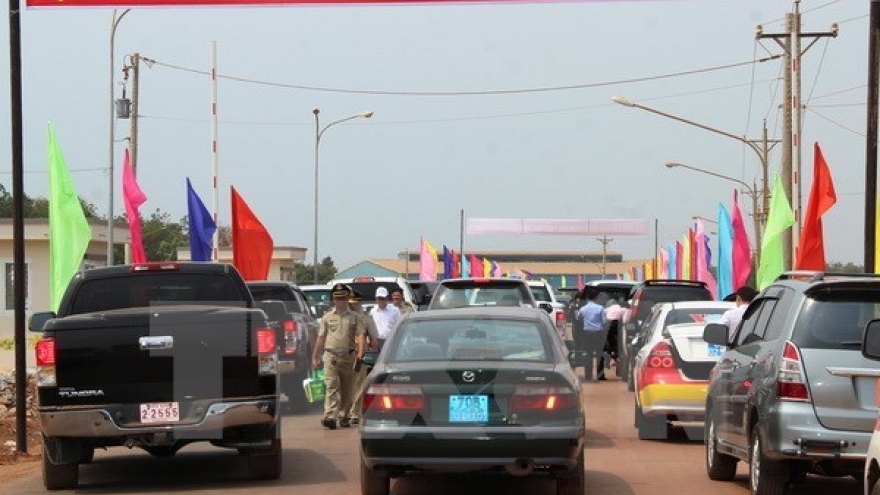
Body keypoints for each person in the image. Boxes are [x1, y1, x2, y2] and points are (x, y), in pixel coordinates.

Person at [311, 283, 366, 430]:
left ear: (347, 299)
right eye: (337, 298)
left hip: (349, 357)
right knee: (332, 386)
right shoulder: (327, 317)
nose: (340, 301)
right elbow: (321, 337)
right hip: (331, 357)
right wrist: (315, 356)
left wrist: (360, 354)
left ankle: (344, 416)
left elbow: (361, 335)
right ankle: (330, 416)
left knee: (348, 390)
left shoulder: (355, 317)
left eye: (343, 298)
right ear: (333, 300)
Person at [347, 290, 380, 426]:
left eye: (355, 303)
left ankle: (354, 413)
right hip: (342, 354)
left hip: (359, 354)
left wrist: (372, 352)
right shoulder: (339, 315)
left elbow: (373, 339)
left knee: (358, 385)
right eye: (351, 303)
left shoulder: (366, 318)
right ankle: (342, 412)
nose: (353, 305)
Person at [575, 288, 608, 382]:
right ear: (597, 298)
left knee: (588, 354)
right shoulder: (600, 308)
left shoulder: (583, 309)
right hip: (599, 334)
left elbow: (578, 318)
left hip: (587, 334)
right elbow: (604, 322)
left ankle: (588, 376)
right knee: (599, 354)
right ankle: (599, 375)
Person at [600, 298, 625, 379]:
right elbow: (624, 319)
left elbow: (604, 320)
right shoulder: (621, 309)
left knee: (608, 343)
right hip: (618, 326)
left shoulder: (606, 309)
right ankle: (615, 354)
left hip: (609, 326)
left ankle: (609, 353)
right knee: (618, 343)